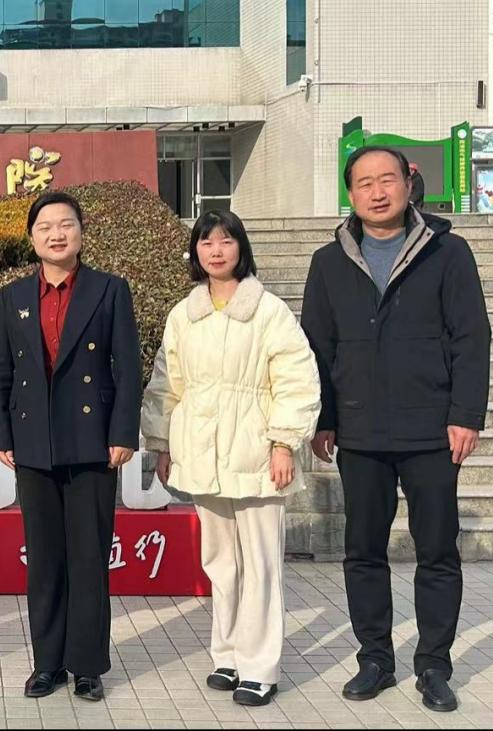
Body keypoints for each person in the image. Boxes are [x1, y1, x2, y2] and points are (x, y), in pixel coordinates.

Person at [302, 146, 491, 713]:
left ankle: (433, 665)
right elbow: (316, 345)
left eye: (387, 179)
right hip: (359, 431)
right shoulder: (328, 261)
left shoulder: (448, 252)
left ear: (409, 183)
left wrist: (466, 414)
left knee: (437, 551)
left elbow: (472, 336)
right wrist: (323, 418)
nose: (377, 192)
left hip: (431, 429)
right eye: (364, 183)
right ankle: (375, 660)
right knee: (363, 550)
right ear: (350, 193)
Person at [141, 210, 321, 708]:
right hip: (202, 453)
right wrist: (161, 443)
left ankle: (259, 667)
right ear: (195, 251)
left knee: (260, 563)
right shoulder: (185, 314)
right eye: (206, 242)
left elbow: (296, 378)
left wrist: (284, 442)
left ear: (241, 247)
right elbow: (167, 383)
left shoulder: (268, 311)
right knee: (220, 561)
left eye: (225, 241)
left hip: (256, 452)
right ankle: (227, 655)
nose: (216, 250)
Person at [0, 190, 142, 702]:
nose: (57, 234)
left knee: (89, 558)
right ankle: (47, 663)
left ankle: (88, 666)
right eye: (46, 227)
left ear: (81, 231)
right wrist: (2, 436)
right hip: (33, 445)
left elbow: (128, 366)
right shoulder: (13, 296)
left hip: (93, 444)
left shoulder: (108, 289)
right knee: (45, 559)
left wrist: (123, 432)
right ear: (32, 237)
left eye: (66, 224)